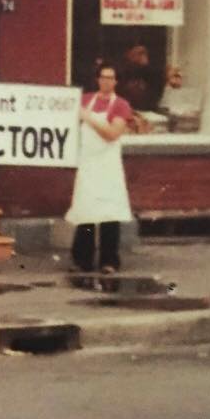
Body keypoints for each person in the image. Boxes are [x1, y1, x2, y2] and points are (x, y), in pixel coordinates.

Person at [65, 62, 133, 274]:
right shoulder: (85, 100)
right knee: (86, 211)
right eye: (103, 77)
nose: (106, 81)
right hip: (88, 163)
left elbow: (113, 133)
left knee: (108, 212)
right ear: (97, 79)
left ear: (116, 81)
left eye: (111, 78)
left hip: (108, 165)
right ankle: (82, 260)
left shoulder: (121, 105)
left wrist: (89, 117)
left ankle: (109, 261)